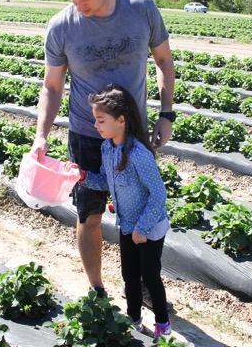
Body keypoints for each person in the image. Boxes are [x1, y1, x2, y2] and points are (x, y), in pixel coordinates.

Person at [31, 0, 175, 300]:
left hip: (134, 135)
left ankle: (142, 284)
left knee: (140, 214)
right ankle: (96, 286)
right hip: (86, 133)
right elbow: (51, 86)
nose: (79, 6)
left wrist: (166, 113)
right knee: (89, 214)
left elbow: (164, 63)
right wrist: (40, 136)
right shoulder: (62, 26)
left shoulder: (142, 9)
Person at [65, 84, 172, 338]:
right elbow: (104, 181)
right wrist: (82, 176)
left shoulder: (138, 154)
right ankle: (134, 320)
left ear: (121, 120)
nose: (96, 126)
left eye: (101, 120)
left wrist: (142, 228)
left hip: (149, 228)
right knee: (129, 275)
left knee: (150, 276)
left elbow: (158, 193)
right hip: (127, 224)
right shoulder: (107, 149)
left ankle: (163, 325)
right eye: (95, 120)